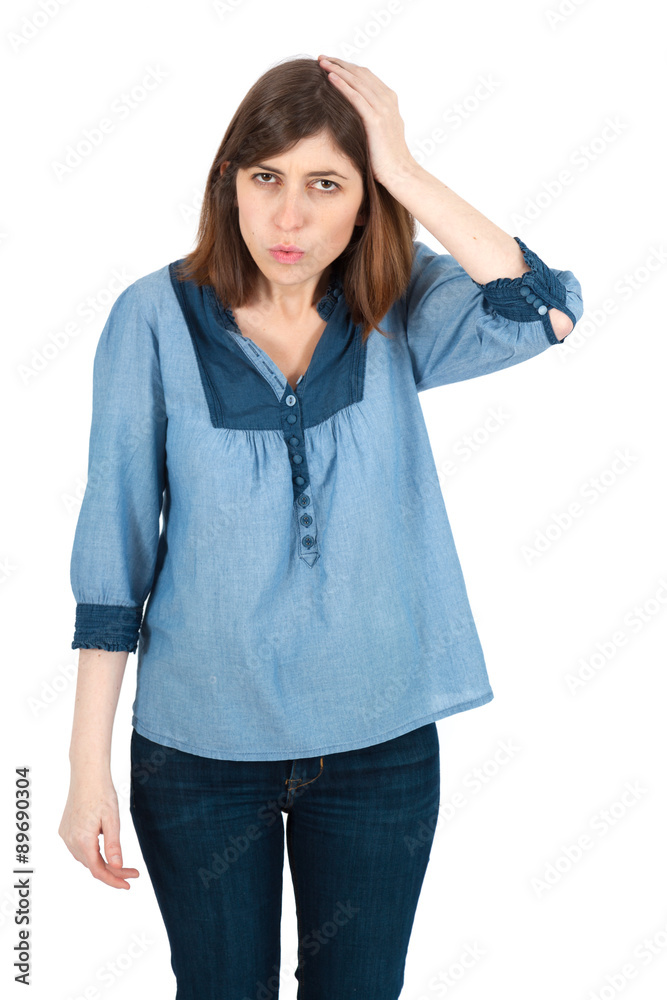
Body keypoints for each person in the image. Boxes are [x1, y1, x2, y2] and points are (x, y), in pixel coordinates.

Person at [59, 54, 583, 999]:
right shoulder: (152, 319)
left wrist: (404, 165)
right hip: (198, 752)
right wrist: (83, 768)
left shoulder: (399, 303)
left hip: (379, 745)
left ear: (367, 199)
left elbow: (544, 311)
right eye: (266, 178)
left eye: (326, 184)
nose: (288, 219)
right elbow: (114, 550)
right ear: (229, 182)